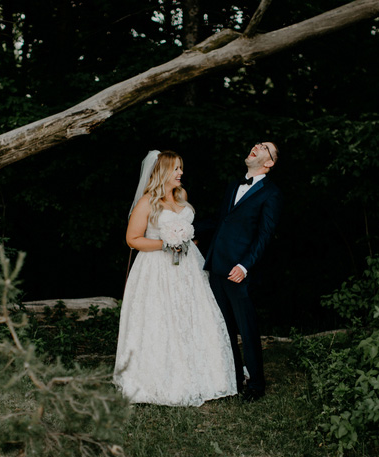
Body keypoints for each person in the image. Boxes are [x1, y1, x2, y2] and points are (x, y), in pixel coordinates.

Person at [113, 150, 237, 406]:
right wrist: (165, 244)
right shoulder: (147, 201)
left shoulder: (182, 196)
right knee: (161, 318)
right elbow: (132, 239)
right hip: (156, 269)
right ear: (162, 172)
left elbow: (189, 234)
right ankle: (157, 379)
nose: (181, 173)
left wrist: (184, 241)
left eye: (181, 168)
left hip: (189, 266)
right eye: (176, 168)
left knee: (194, 315)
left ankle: (206, 376)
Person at [204, 141, 283, 402]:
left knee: (246, 328)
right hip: (217, 266)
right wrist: (188, 231)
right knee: (224, 327)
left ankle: (256, 385)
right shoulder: (233, 184)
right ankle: (234, 379)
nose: (257, 146)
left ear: (269, 162)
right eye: (257, 143)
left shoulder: (271, 193)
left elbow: (265, 235)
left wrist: (244, 266)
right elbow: (220, 221)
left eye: (264, 147)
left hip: (240, 271)